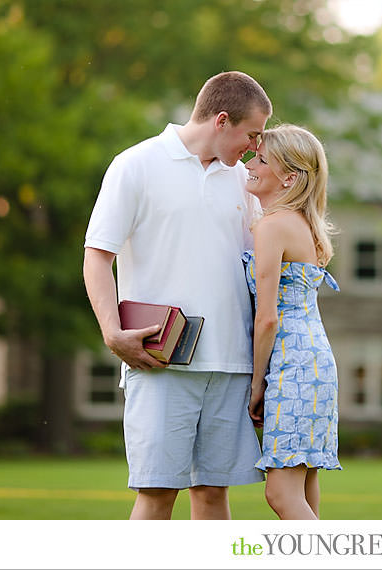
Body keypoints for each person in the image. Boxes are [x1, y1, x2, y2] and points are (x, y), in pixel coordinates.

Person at [82, 70, 271, 520]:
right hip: (161, 361)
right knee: (156, 494)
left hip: (231, 366)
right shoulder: (136, 164)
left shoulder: (245, 181)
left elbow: (262, 271)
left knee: (212, 494)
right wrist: (112, 333)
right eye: (253, 134)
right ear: (221, 120)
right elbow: (96, 256)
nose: (256, 147)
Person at [242, 124, 342, 520]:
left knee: (281, 495)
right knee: (303, 486)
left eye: (261, 159)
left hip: (293, 367)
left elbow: (267, 319)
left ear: (289, 176)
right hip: (314, 363)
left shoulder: (273, 225)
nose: (250, 162)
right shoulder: (301, 223)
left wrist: (255, 384)